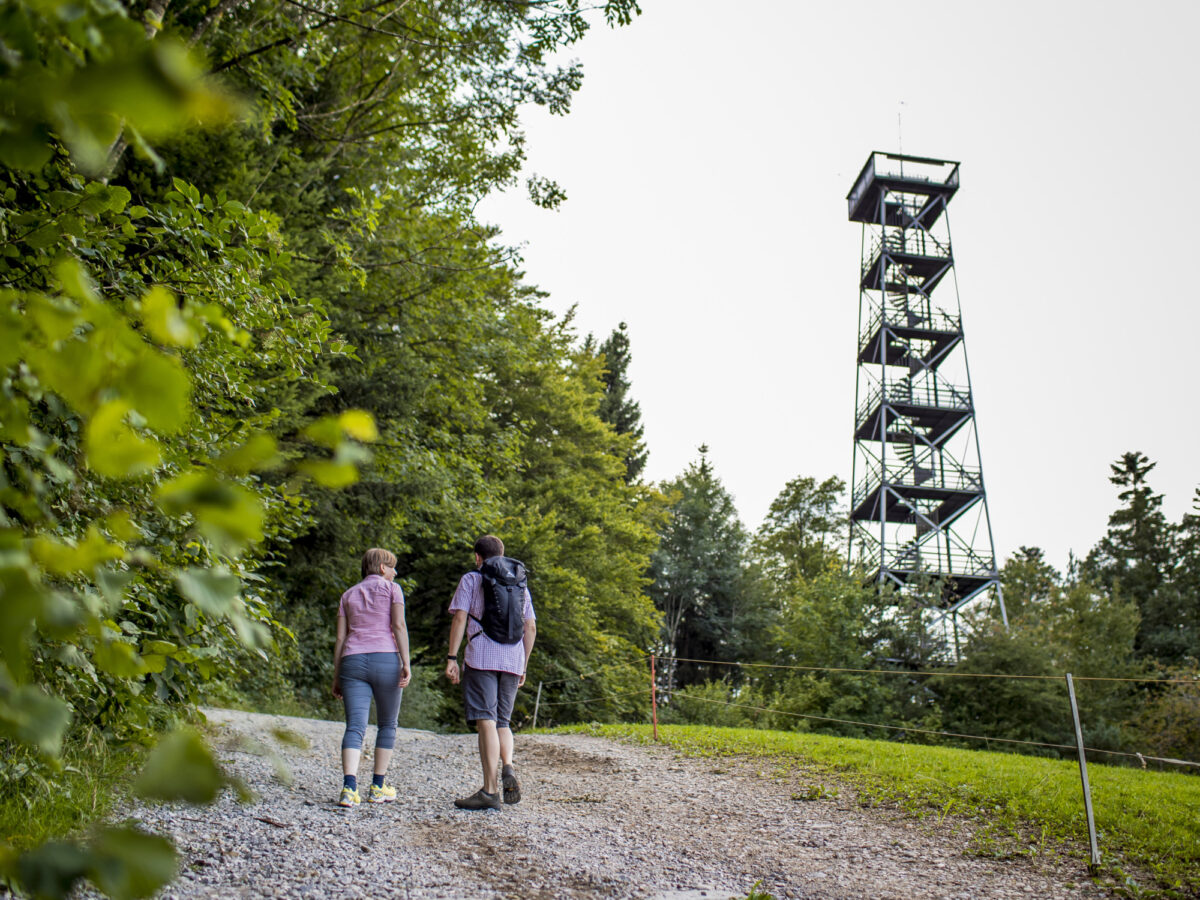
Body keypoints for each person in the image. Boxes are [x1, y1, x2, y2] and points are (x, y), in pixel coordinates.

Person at [445, 534, 536, 811]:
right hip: (512, 658)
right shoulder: (520, 583)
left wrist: (451, 656)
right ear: (503, 553)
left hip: (481, 657)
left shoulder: (472, 579)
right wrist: (523, 664)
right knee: (502, 722)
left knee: (485, 718)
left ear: (477, 557)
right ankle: (507, 765)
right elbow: (530, 628)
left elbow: (460, 617)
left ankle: (490, 791)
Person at [331, 548, 411, 808]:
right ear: (380, 568)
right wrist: (406, 662)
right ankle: (377, 787)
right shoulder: (393, 590)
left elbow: (341, 639)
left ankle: (348, 788)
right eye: (391, 567)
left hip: (352, 662)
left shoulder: (347, 595)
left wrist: (336, 676)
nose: (395, 572)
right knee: (387, 724)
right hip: (386, 659)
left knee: (355, 726)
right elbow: (398, 626)